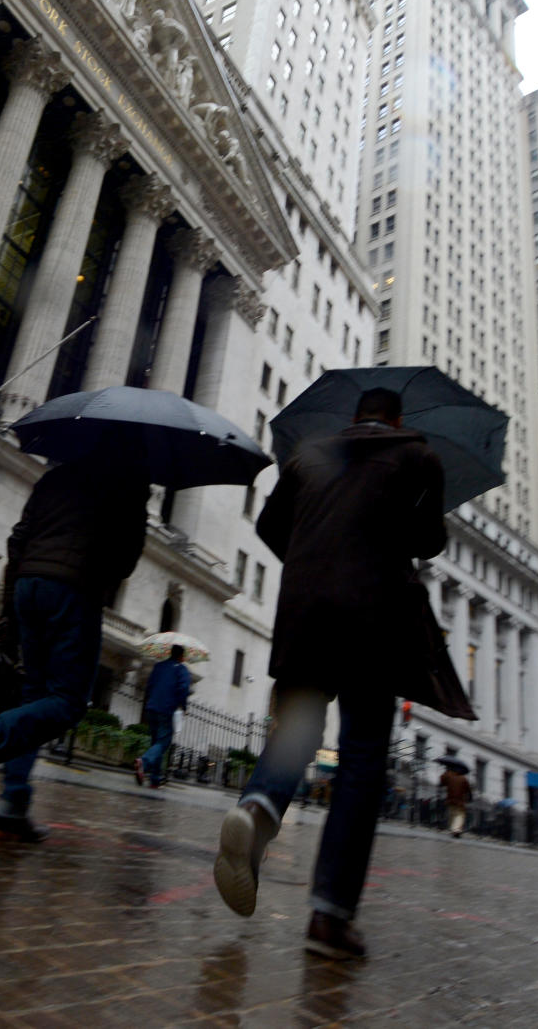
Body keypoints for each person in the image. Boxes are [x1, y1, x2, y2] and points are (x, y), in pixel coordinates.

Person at [213, 387, 447, 961]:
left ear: (354, 416)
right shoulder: (420, 455)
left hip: (305, 609)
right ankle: (331, 914)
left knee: (297, 727)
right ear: (396, 418)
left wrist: (316, 550)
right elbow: (430, 540)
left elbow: (271, 527)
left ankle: (259, 807)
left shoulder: (308, 454)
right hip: (374, 613)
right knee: (363, 754)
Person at [0, 432, 151, 841]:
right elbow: (124, 562)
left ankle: (11, 809)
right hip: (73, 591)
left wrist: (10, 601)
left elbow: (18, 539)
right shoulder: (128, 486)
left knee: (34, 700)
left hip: (27, 586)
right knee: (68, 702)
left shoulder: (56, 477)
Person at [135, 645, 191, 789]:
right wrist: (183, 706)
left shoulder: (159, 666)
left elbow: (150, 685)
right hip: (167, 709)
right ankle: (144, 762)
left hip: (152, 707)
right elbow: (183, 689)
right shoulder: (181, 669)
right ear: (181, 656)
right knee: (163, 743)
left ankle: (154, 779)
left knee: (156, 743)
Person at [441, 767, 472, 837]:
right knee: (460, 815)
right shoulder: (464, 779)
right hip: (460, 800)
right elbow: (468, 790)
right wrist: (470, 798)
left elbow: (443, 783)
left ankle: (453, 829)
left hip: (450, 800)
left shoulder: (450, 777)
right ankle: (456, 830)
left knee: (452, 814)